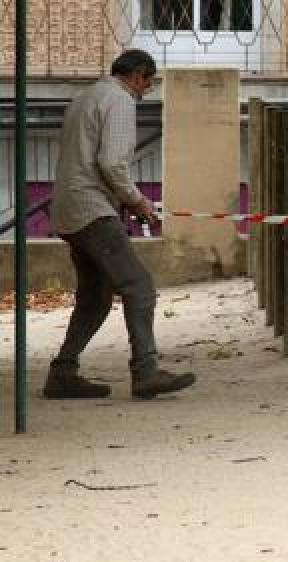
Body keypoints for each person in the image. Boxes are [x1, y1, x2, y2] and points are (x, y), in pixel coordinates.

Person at [43, 49, 197, 400]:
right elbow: (112, 164)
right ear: (138, 75)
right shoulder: (120, 100)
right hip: (92, 209)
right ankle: (146, 372)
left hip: (69, 208)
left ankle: (63, 372)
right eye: (149, 83)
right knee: (139, 287)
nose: (147, 91)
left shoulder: (86, 97)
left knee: (95, 298)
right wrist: (139, 202)